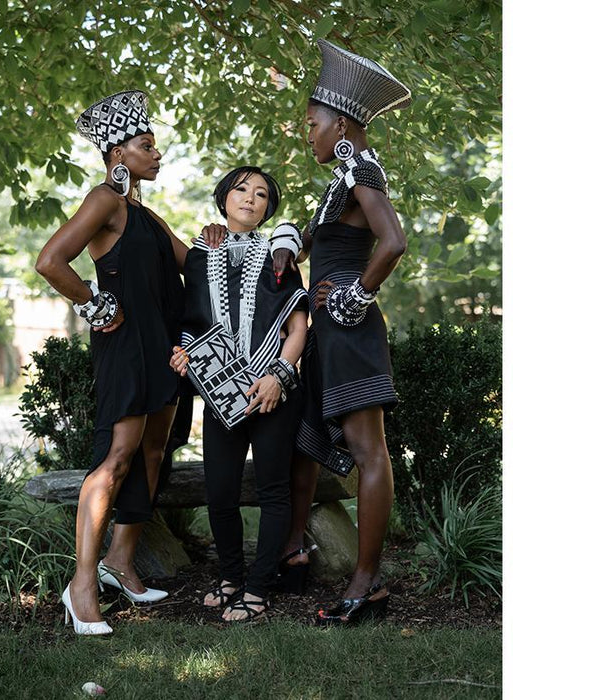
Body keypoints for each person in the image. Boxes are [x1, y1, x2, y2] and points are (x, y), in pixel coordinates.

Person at [36, 90, 190, 634]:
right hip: (125, 346)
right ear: (118, 154)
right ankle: (81, 586)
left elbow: (194, 264)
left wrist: (235, 238)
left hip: (164, 347)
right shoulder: (104, 200)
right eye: (147, 145)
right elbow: (50, 261)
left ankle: (120, 562)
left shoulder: (146, 215)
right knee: (117, 458)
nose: (158, 153)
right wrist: (94, 303)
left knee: (153, 453)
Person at [270, 40, 411, 625]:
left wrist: (354, 295)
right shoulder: (343, 178)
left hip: (350, 332)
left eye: (313, 124)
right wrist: (285, 243)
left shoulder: (362, 169)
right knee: (307, 442)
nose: (308, 135)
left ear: (342, 125)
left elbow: (393, 242)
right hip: (327, 333)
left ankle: (366, 582)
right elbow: (314, 241)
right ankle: (293, 549)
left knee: (368, 452)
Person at [170, 167, 308, 622]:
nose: (251, 198)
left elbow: (297, 326)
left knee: (273, 491)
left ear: (268, 208)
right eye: (242, 189)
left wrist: (278, 376)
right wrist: (185, 354)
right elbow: (192, 323)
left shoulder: (279, 255)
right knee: (220, 491)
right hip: (222, 393)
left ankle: (258, 587)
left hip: (272, 390)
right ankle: (230, 576)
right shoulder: (199, 256)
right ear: (223, 198)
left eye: (262, 194)